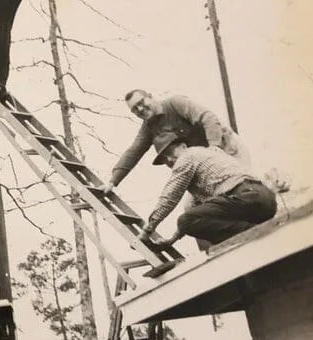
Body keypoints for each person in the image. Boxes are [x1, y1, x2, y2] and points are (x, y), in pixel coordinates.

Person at [139, 132, 277, 247]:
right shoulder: (203, 159)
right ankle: (257, 233)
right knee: (191, 220)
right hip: (265, 199)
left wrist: (148, 229)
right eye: (164, 159)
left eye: (170, 152)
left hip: (246, 196)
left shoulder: (187, 157)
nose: (168, 160)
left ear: (183, 146)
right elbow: (192, 208)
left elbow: (170, 197)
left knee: (188, 221)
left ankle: (256, 233)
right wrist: (173, 239)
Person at [99, 89, 250, 195]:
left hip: (225, 147)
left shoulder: (175, 103)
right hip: (204, 164)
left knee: (242, 186)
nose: (141, 108)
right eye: (135, 109)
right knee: (202, 204)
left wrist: (215, 146)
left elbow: (207, 117)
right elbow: (133, 152)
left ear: (150, 96)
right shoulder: (148, 127)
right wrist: (112, 182)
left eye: (141, 102)